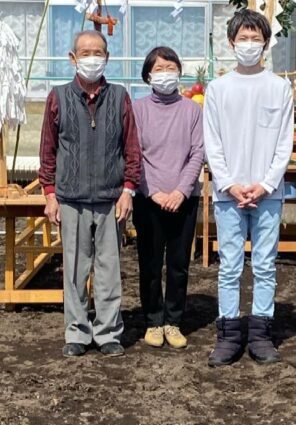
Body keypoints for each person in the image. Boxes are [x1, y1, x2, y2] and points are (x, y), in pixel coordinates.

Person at [39, 29, 141, 358]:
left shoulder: (120, 97)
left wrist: (128, 189)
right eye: (85, 53)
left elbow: (131, 149)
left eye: (98, 52)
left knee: (109, 269)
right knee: (74, 270)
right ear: (73, 58)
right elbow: (48, 150)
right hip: (71, 198)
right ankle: (77, 332)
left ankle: (109, 331)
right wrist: (50, 193)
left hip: (111, 197)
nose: (91, 58)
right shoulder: (58, 97)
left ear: (107, 57)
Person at [203, 9, 295, 367]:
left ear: (266, 44)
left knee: (265, 264)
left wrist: (266, 183)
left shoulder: (279, 87)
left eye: (256, 38)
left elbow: (284, 142)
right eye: (243, 38)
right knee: (229, 266)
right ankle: (228, 333)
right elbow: (213, 142)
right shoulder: (217, 89)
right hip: (228, 194)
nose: (249, 44)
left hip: (267, 193)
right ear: (231, 42)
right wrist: (228, 183)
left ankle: (260, 333)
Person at [131, 46, 205, 351]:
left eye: (170, 68)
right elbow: (133, 154)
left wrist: (180, 191)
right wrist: (154, 192)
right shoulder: (137, 109)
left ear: (180, 71)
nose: (165, 74)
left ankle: (173, 320)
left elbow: (197, 152)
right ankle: (153, 320)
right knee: (149, 262)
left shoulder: (192, 110)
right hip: (148, 198)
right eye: (159, 69)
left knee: (178, 264)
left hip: (183, 199)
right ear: (148, 74)